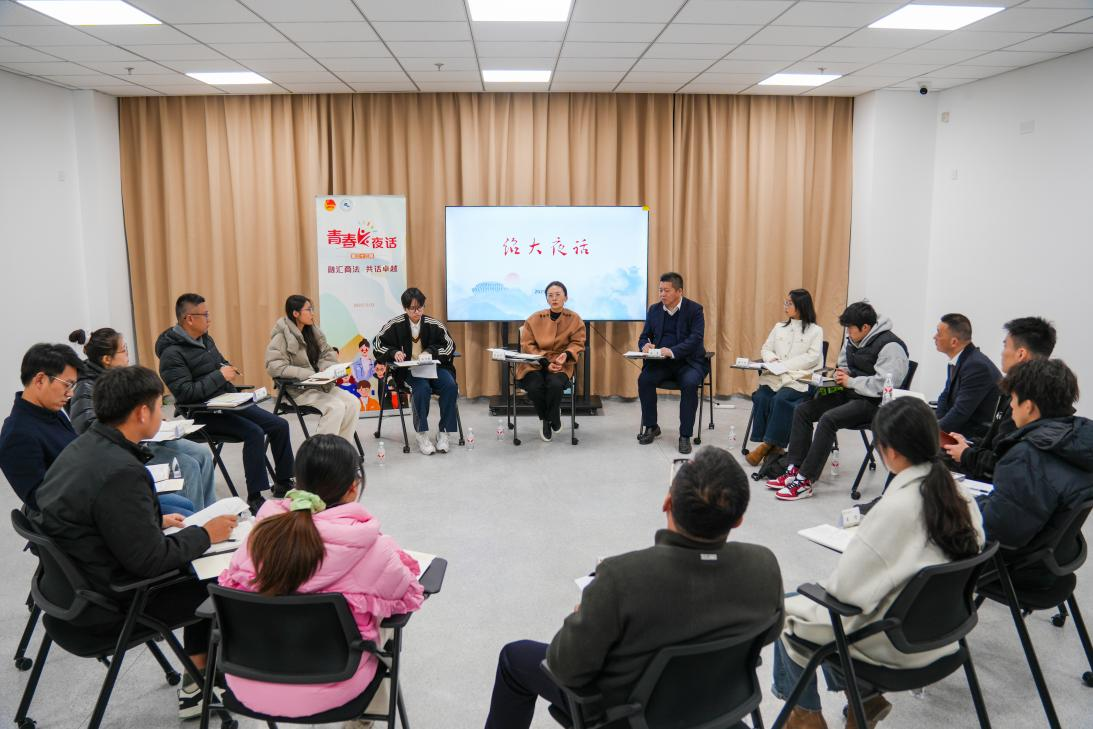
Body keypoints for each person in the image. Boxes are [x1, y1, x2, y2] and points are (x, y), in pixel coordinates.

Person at [483, 446, 784, 729]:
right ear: (739, 520)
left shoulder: (621, 578)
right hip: (716, 708)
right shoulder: (764, 566)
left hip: (629, 717)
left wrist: (580, 615)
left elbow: (565, 668)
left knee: (514, 658)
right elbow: (767, 635)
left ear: (667, 503)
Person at [29, 366, 238, 719]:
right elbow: (151, 561)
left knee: (194, 553)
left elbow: (92, 513)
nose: (162, 414)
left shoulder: (83, 447)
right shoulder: (122, 471)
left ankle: (198, 677)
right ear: (142, 412)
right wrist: (206, 533)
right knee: (215, 577)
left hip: (67, 595)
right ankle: (200, 684)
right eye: (159, 406)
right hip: (110, 606)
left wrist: (151, 521)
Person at [772, 397, 984, 729]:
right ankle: (865, 701)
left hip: (896, 645)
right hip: (943, 636)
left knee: (786, 612)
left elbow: (844, 594)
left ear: (891, 452)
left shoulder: (895, 508)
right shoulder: (962, 497)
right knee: (830, 614)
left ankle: (805, 716)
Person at [219, 434, 424, 719]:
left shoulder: (259, 535)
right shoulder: (372, 547)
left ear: (298, 483)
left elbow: (232, 587)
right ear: (352, 488)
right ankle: (365, 720)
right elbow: (408, 593)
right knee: (379, 621)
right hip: (336, 683)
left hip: (248, 682)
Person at [157, 293, 294, 514]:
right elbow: (186, 394)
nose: (209, 319)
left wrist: (228, 370)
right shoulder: (171, 355)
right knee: (254, 432)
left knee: (279, 424)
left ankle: (284, 482)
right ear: (189, 319)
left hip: (228, 402)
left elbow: (219, 363)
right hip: (202, 413)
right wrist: (220, 376)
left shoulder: (206, 339)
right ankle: (255, 496)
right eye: (205, 315)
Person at [768, 302, 909, 501]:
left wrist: (851, 381)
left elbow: (884, 384)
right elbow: (844, 363)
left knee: (828, 419)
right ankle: (794, 469)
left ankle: (805, 481)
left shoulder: (891, 347)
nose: (848, 333)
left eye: (851, 329)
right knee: (803, 410)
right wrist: (841, 373)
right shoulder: (853, 338)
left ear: (865, 327)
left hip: (875, 404)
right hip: (850, 393)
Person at [68, 328, 217, 510]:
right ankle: (195, 521)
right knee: (187, 466)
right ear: (107, 359)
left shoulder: (119, 376)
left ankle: (209, 513)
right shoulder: (85, 387)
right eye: (124, 350)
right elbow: (88, 429)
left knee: (202, 454)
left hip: (145, 439)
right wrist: (138, 425)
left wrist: (153, 416)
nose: (128, 355)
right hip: (124, 449)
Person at [978, 359, 1093, 573]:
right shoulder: (1077, 441)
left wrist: (967, 504)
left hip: (1013, 568)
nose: (1011, 406)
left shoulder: (1026, 457)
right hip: (1053, 561)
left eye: (1013, 399)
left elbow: (996, 530)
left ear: (1029, 406)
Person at [943, 316, 1056, 480]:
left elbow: (1005, 461)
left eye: (1005, 346)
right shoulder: (1022, 389)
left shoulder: (1027, 399)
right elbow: (997, 442)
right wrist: (968, 444)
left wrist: (966, 454)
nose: (1002, 353)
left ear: (1021, 354)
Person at [265, 295, 362, 445]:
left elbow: (327, 353)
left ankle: (341, 451)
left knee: (353, 402)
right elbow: (275, 367)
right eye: (308, 310)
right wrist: (309, 375)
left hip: (320, 385)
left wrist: (324, 369)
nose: (312, 313)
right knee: (335, 407)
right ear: (295, 313)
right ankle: (320, 454)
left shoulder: (313, 332)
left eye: (312, 309)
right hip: (298, 391)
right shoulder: (281, 337)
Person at [373, 288, 459, 455]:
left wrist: (431, 351)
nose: (417, 312)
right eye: (412, 308)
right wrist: (393, 353)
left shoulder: (434, 324)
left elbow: (449, 345)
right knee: (421, 389)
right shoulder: (395, 325)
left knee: (450, 386)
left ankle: (444, 433)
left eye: (420, 307)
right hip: (408, 371)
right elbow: (377, 344)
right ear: (405, 308)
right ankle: (422, 434)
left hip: (435, 368)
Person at [746, 289, 824, 467]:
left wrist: (785, 365)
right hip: (775, 376)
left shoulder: (815, 331)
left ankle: (767, 446)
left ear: (801, 306)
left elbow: (812, 357)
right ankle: (774, 447)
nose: (785, 306)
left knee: (781, 400)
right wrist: (772, 359)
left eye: (789, 303)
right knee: (762, 396)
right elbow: (766, 349)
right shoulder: (779, 327)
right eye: (785, 302)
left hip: (798, 378)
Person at [0, 343, 82, 509]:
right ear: (40, 380)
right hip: (72, 514)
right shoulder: (17, 435)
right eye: (67, 384)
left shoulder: (51, 412)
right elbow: (43, 501)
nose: (71, 393)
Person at [636, 272, 707, 454]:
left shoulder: (694, 310)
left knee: (690, 384)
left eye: (666, 290)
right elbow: (644, 336)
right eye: (660, 290)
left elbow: (695, 339)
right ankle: (651, 426)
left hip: (688, 362)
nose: (662, 294)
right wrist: (645, 345)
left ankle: (685, 435)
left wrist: (672, 351)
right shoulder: (654, 310)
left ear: (679, 291)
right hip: (661, 363)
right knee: (644, 380)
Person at [515, 281, 586, 442]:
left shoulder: (575, 319)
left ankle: (550, 417)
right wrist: (544, 362)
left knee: (555, 384)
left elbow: (578, 343)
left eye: (558, 295)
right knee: (534, 386)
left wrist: (566, 355)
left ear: (565, 297)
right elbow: (527, 344)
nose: (554, 298)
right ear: (547, 299)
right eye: (550, 295)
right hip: (534, 363)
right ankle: (549, 417)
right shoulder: (534, 318)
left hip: (561, 364)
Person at [932, 313, 1001, 440]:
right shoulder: (961, 359)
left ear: (954, 342)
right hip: (961, 427)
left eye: (939, 333)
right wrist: (934, 422)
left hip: (973, 435)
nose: (934, 337)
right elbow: (945, 396)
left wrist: (931, 432)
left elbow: (961, 412)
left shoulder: (976, 366)